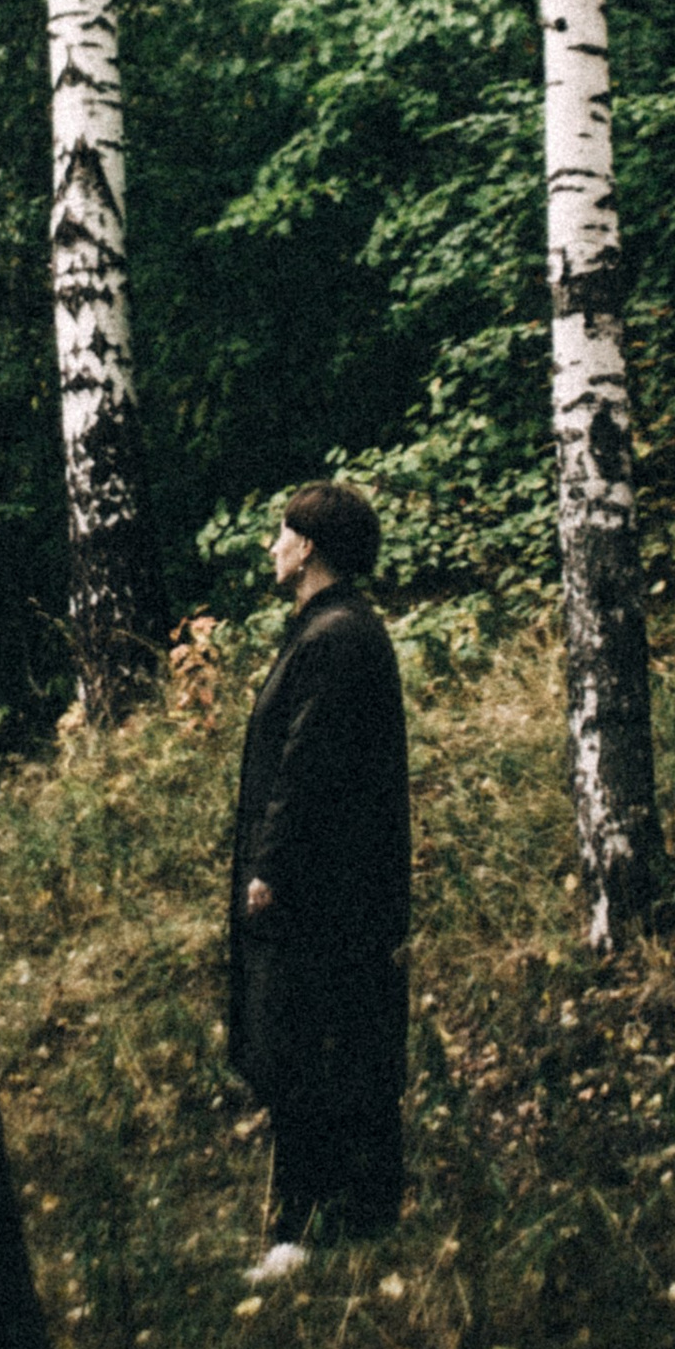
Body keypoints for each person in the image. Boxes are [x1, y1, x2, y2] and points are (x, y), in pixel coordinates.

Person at [225, 478, 411, 1278]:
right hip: (335, 886)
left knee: (306, 1049)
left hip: (320, 892)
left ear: (307, 548)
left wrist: (271, 866)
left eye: (281, 534)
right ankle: (349, 1219)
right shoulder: (333, 630)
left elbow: (308, 765)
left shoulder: (336, 638)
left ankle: (305, 1231)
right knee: (331, 1046)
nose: (272, 546)